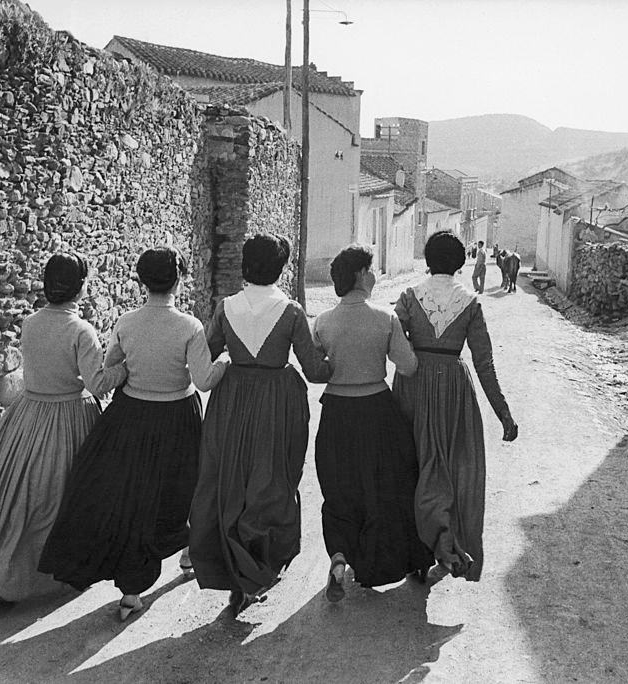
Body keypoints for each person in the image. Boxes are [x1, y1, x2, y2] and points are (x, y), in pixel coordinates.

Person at [38, 246, 228, 621]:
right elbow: (204, 381)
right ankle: (189, 550)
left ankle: (131, 590)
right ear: (179, 280)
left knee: (137, 500)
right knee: (181, 488)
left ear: (141, 281)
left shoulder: (127, 322)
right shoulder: (189, 326)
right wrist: (223, 361)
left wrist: (133, 368)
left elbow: (111, 368)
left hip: (133, 416)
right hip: (178, 416)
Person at [0, 253, 127, 613]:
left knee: (16, 496)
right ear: (80, 287)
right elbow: (98, 383)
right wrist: (126, 366)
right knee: (61, 496)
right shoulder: (80, 331)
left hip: (27, 414)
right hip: (70, 416)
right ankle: (61, 573)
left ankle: (2, 580)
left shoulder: (31, 323)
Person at [189, 232, 332, 616]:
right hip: (276, 400)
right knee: (270, 481)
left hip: (232, 398)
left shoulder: (226, 307)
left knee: (229, 477)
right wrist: (340, 359)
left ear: (245, 266)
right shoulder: (291, 312)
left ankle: (233, 566)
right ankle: (255, 568)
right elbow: (315, 370)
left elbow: (206, 350)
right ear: (281, 268)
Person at [393, 231, 518, 582]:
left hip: (413, 386)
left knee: (414, 466)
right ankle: (448, 544)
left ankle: (419, 553)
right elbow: (484, 363)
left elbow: (392, 344)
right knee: (450, 469)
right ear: (461, 262)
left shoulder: (408, 297)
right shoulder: (471, 303)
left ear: (428, 259)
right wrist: (504, 414)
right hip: (453, 390)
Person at [312, 245, 434, 602]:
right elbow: (409, 366)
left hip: (336, 413)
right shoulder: (385, 318)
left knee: (340, 487)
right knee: (389, 486)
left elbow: (318, 367)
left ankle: (338, 557)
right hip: (378, 410)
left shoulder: (323, 322)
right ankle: (405, 557)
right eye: (371, 268)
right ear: (363, 275)